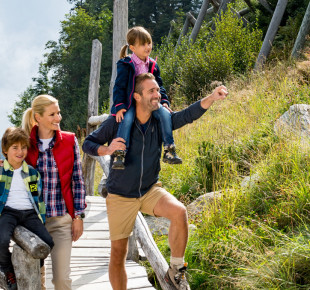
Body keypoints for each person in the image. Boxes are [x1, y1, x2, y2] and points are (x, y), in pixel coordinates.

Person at [83, 73, 228, 289]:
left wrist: (211, 97)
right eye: (151, 91)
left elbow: (186, 115)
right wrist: (108, 148)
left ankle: (176, 270)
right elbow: (88, 143)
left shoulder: (161, 120)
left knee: (179, 212)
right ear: (137, 96)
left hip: (150, 190)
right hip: (121, 195)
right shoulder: (118, 121)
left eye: (157, 90)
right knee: (118, 254)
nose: (157, 94)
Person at [20, 95, 87, 290]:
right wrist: (2, 165)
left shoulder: (69, 140)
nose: (58, 117)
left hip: (61, 221)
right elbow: (14, 171)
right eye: (52, 114)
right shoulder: (25, 142)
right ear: (38, 117)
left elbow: (77, 180)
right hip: (32, 221)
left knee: (61, 280)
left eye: (58, 112)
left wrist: (78, 216)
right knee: (34, 279)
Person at [0, 127, 54, 290]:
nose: (20, 152)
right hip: (8, 213)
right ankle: (9, 271)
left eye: (23, 147)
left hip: (30, 213)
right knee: (1, 242)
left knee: (48, 242)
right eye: (15, 148)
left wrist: (40, 218)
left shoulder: (32, 174)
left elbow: (38, 197)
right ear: (5, 150)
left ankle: (30, 265)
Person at [111, 26, 181, 170]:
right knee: (127, 119)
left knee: (164, 114)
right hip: (131, 103)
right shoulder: (126, 64)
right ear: (132, 47)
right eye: (143, 44)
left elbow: (159, 86)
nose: (147, 46)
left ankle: (169, 149)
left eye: (149, 43)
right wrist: (119, 106)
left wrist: (164, 101)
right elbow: (119, 87)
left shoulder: (153, 65)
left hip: (149, 103)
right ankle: (120, 153)